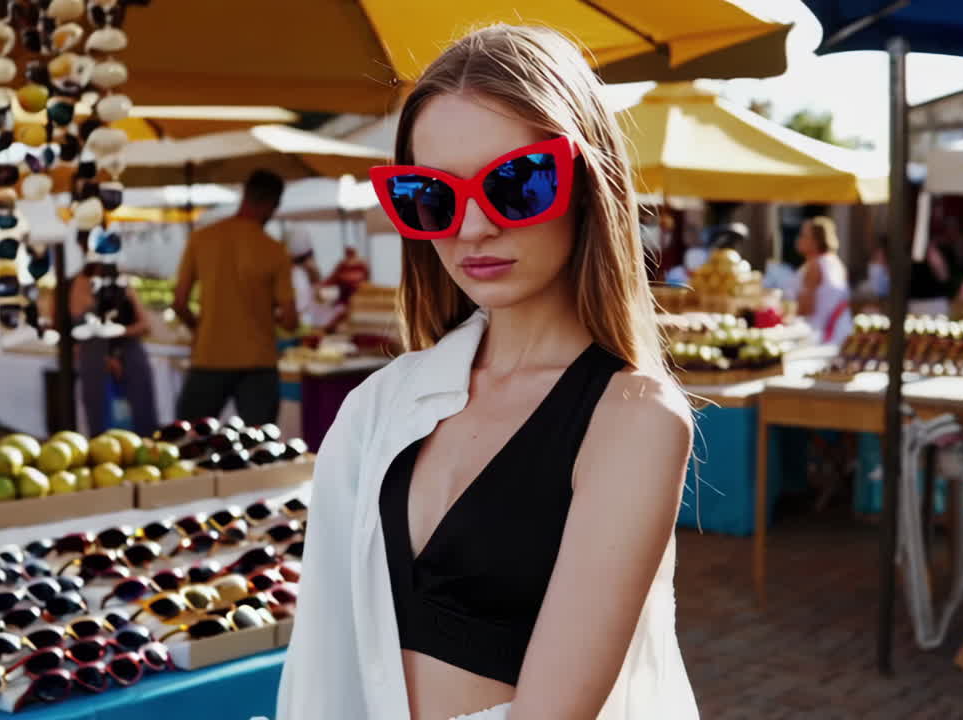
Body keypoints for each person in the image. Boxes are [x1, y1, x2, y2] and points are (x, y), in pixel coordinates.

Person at [278, 25, 697, 720]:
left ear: (589, 186)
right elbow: (325, 658)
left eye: (517, 183)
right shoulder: (380, 405)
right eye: (431, 194)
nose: (472, 227)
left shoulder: (633, 419)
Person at [172, 170, 298, 425]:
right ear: (271, 204)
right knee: (260, 450)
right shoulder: (274, 250)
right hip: (258, 362)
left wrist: (201, 329)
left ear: (244, 196)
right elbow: (290, 320)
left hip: (208, 356)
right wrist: (264, 312)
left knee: (189, 442)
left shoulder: (201, 238)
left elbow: (179, 303)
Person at [70, 263, 158, 437]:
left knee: (140, 415)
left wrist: (115, 343)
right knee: (99, 419)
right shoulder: (73, 284)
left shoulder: (121, 284)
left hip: (129, 356)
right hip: (93, 361)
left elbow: (145, 325)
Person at [795, 216, 853, 346]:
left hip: (821, 337)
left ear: (815, 241)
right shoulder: (837, 262)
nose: (799, 239)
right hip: (841, 332)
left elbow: (805, 308)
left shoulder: (814, 266)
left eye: (803, 235)